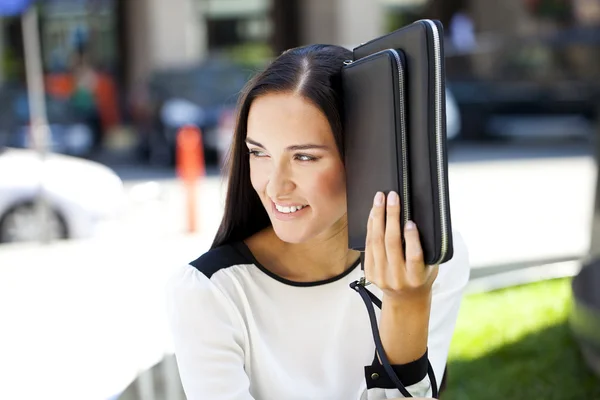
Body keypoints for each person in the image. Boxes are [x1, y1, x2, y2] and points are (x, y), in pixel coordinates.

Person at [165, 44, 470, 399]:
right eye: (258, 152)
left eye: (304, 157)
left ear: (366, 155)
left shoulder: (426, 261)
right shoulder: (209, 293)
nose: (275, 186)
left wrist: (407, 302)